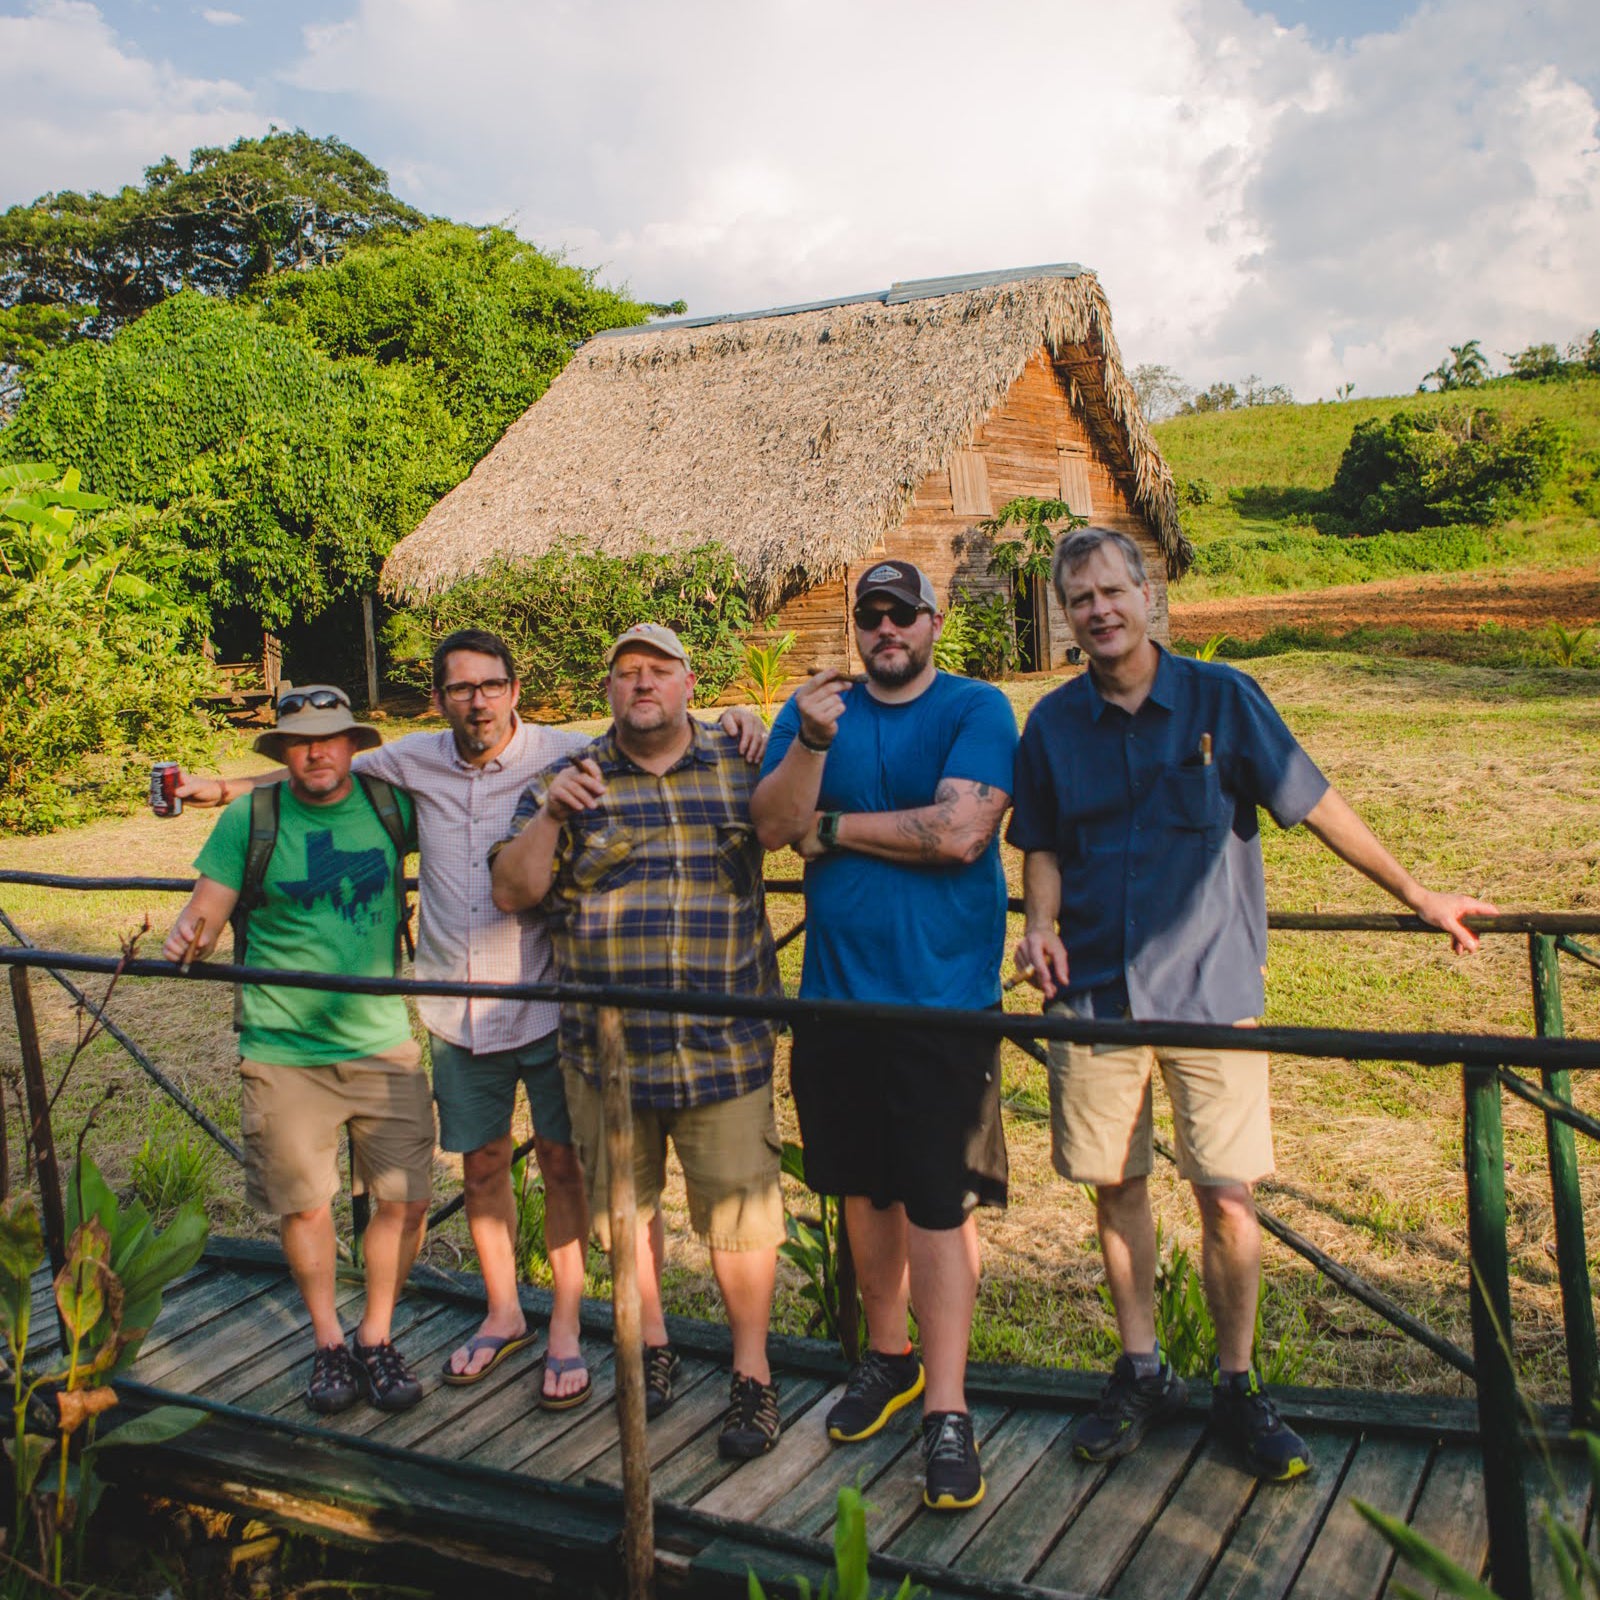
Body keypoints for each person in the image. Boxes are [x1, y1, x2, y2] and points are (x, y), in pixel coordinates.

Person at [1008, 526, 1498, 1483]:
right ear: (1066, 619)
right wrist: (1042, 925)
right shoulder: (1052, 725)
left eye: (1114, 591)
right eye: (1080, 600)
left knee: (1228, 1197)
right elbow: (1044, 844)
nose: (1099, 611)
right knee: (1115, 1184)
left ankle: (1237, 1382)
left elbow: (1314, 804)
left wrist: (1417, 894)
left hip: (1212, 990)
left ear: (1149, 596)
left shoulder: (1223, 699)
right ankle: (1142, 1368)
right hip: (1097, 991)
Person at [178, 629, 767, 1408]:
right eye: (461, 689)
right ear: (440, 700)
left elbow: (651, 719)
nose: (478, 700)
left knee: (565, 1167)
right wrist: (221, 788)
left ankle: (565, 1322)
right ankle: (503, 1310)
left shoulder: (562, 752)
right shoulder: (407, 759)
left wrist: (735, 719)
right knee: (483, 1166)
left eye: (491, 685)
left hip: (549, 1002)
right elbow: (315, 763)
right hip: (457, 1012)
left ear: (515, 690)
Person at [750, 560, 1017, 1513]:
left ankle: (949, 1407)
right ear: (855, 627)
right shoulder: (813, 712)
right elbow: (774, 827)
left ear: (933, 621)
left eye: (903, 614)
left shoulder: (977, 708)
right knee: (861, 1186)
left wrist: (835, 828)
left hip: (941, 1001)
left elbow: (958, 834)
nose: (887, 629)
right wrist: (811, 748)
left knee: (938, 1201)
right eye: (872, 615)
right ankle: (890, 1357)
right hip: (837, 997)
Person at [489, 623, 787, 1460]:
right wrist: (552, 815)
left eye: (659, 670)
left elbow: (796, 819)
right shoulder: (564, 781)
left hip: (722, 1044)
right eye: (626, 672)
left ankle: (752, 1376)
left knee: (743, 1221)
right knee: (626, 1215)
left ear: (691, 684)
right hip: (606, 1056)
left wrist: (769, 728)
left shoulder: (741, 764)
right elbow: (513, 890)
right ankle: (650, 1345)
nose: (642, 683)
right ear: (609, 691)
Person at [164, 686, 434, 1414]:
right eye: (301, 740)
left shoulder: (391, 807)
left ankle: (375, 1335)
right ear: (284, 750)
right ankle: (328, 1344)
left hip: (382, 1043)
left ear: (354, 743)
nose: (317, 751)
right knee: (306, 1205)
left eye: (331, 737)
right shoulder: (251, 819)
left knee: (406, 1202)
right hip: (282, 1046)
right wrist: (190, 934)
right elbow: (206, 911)